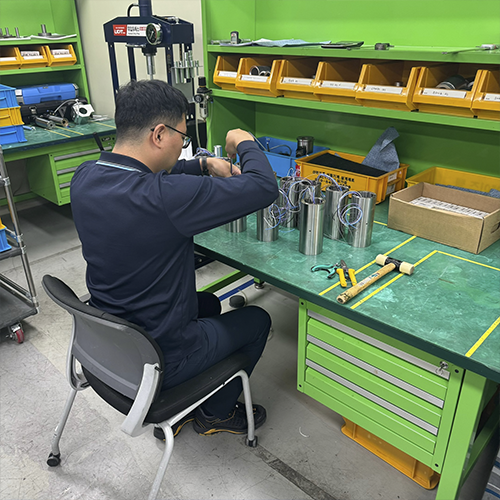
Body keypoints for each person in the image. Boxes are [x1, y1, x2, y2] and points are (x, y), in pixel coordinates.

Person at [70, 79, 279, 437]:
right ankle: (215, 415)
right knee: (258, 319)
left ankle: (188, 405)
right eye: (182, 136)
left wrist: (202, 165)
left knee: (208, 303)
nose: (183, 144)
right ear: (160, 134)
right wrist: (243, 139)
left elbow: (152, 177)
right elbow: (263, 187)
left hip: (114, 340)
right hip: (162, 356)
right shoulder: (165, 199)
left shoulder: (85, 176)